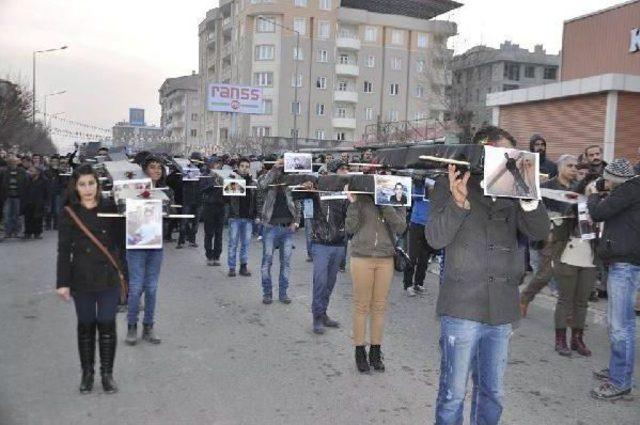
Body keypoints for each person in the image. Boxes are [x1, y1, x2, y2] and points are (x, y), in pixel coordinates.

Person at [426, 129, 550, 424]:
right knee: (452, 394)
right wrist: (458, 203)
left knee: (492, 392)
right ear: (481, 151)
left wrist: (530, 197)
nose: (509, 160)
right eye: (501, 153)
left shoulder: (517, 187)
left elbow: (539, 232)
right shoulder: (451, 183)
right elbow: (434, 238)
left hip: (502, 310)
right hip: (462, 307)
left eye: (513, 155)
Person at [56, 164, 124, 394]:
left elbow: (123, 240)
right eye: (82, 184)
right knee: (85, 326)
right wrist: (62, 282)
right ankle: (87, 373)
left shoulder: (111, 207)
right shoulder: (68, 212)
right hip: (82, 278)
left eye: (91, 184)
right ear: (76, 187)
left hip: (108, 278)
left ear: (98, 184)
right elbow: (63, 251)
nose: (87, 189)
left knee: (107, 324)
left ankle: (107, 374)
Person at [588, 159, 640, 400]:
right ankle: (618, 371)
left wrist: (594, 195)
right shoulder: (629, 190)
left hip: (625, 265)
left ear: (617, 179)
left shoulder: (630, 189)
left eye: (608, 178)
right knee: (618, 323)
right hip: (624, 262)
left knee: (621, 326)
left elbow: (598, 213)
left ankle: (620, 382)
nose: (605, 181)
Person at [345, 187, 406, 373]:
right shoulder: (361, 197)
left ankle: (375, 351)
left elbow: (401, 227)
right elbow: (350, 227)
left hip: (385, 257)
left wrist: (385, 203)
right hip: (361, 256)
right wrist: (354, 203)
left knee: (379, 306)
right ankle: (359, 351)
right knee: (361, 306)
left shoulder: (398, 196)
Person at [520, 155, 578, 316]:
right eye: (570, 166)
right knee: (545, 275)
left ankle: (569, 312)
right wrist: (547, 229)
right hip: (551, 236)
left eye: (576, 166)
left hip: (573, 238)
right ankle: (524, 297)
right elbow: (536, 210)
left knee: (570, 275)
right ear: (560, 168)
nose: (574, 169)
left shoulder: (578, 187)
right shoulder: (546, 187)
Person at [550, 177, 598, 357]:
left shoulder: (602, 205)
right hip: (569, 256)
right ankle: (560, 339)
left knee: (582, 302)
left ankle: (577, 338)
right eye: (592, 185)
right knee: (565, 300)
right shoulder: (572, 204)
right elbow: (561, 220)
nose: (594, 188)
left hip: (590, 259)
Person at [125, 155, 169, 346]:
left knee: (151, 288)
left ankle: (148, 326)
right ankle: (131, 327)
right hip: (135, 242)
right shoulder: (130, 189)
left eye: (160, 167)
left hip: (155, 243)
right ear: (144, 170)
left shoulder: (165, 191)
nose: (157, 170)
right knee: (135, 288)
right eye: (153, 167)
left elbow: (171, 213)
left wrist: (165, 208)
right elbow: (119, 208)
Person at [302, 160, 350, 334]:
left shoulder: (347, 192)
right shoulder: (318, 188)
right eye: (342, 169)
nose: (345, 172)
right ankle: (317, 317)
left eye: (347, 169)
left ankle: (323, 313)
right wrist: (307, 189)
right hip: (321, 243)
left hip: (338, 243)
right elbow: (302, 199)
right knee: (320, 282)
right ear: (331, 172)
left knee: (330, 282)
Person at [257, 158, 300, 305]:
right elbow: (262, 186)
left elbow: (297, 201)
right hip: (270, 227)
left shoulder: (291, 179)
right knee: (266, 262)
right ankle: (267, 293)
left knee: (286, 263)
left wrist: (296, 221)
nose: (283, 165)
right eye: (280, 162)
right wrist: (274, 168)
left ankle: (283, 293)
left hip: (288, 228)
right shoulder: (267, 176)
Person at [403, 177, 437, 296]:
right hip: (416, 223)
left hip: (429, 224)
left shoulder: (437, 185)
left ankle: (419, 283)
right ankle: (407, 284)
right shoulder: (419, 184)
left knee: (424, 256)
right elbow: (415, 197)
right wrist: (421, 185)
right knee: (412, 256)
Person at [226, 157, 258, 276]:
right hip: (235, 216)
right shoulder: (232, 180)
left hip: (248, 218)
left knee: (245, 243)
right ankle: (232, 267)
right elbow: (226, 199)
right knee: (233, 243)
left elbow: (256, 201)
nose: (244, 169)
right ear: (238, 167)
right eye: (242, 166)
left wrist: (256, 215)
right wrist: (235, 182)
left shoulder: (252, 182)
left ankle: (243, 266)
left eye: (246, 166)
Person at [200, 158, 225, 267]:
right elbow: (202, 189)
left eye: (219, 164)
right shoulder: (205, 175)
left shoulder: (224, 175)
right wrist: (213, 183)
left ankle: (217, 256)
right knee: (209, 232)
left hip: (220, 206)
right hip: (209, 206)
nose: (217, 166)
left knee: (219, 233)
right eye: (215, 164)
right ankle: (209, 255)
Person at [177, 154, 203, 249]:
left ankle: (192, 240)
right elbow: (180, 181)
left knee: (196, 222)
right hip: (187, 198)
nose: (197, 161)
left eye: (198, 160)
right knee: (184, 221)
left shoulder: (202, 170)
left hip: (198, 198)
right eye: (195, 159)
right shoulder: (185, 168)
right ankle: (181, 241)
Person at [0, 155, 28, 238]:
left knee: (17, 215)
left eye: (14, 162)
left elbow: (26, 183)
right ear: (8, 163)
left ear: (17, 163)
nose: (12, 163)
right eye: (11, 162)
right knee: (7, 215)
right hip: (7, 196)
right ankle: (7, 232)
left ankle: (17, 231)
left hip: (18, 196)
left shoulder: (22, 171)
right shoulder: (4, 171)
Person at [22, 166, 49, 239]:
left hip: (39, 202)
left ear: (38, 172)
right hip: (28, 201)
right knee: (28, 218)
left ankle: (37, 233)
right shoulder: (27, 180)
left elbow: (47, 193)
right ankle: (28, 232)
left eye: (32, 171)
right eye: (30, 171)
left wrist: (46, 203)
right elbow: (24, 191)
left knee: (38, 218)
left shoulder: (44, 181)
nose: (30, 173)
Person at [44, 155, 66, 230]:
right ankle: (48, 224)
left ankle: (56, 224)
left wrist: (59, 172)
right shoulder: (46, 171)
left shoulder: (61, 171)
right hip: (48, 193)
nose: (54, 163)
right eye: (53, 161)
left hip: (57, 193)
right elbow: (46, 180)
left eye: (56, 161)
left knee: (56, 210)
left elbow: (64, 182)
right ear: (50, 162)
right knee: (49, 210)